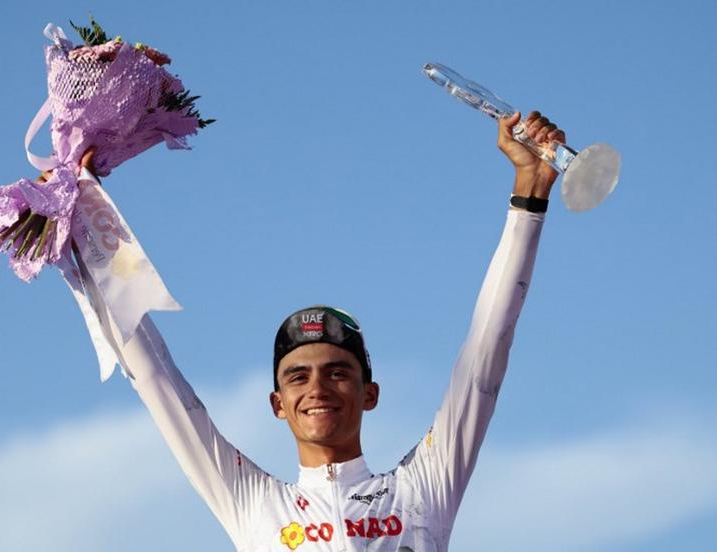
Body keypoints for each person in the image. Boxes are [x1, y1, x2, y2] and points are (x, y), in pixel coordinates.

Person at [83, 111, 564, 551]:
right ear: (277, 404)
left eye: (337, 372)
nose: (316, 387)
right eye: (297, 376)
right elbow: (157, 381)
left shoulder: (421, 490)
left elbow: (485, 353)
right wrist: (81, 227)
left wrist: (531, 191)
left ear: (369, 393)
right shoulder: (253, 504)